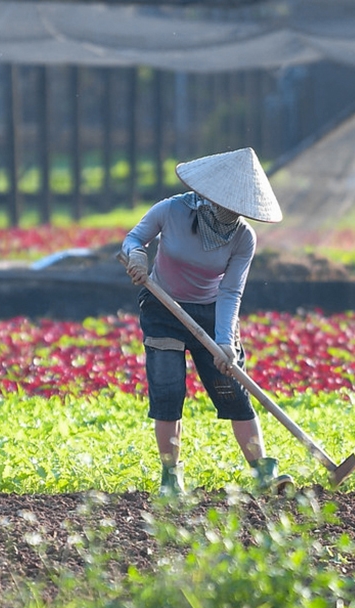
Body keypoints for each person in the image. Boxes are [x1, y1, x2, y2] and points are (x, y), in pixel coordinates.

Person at [121, 147, 292, 498]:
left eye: (239, 207)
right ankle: (171, 477)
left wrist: (225, 342)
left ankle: (262, 469)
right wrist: (137, 255)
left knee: (233, 392)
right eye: (227, 202)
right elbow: (134, 238)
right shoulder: (172, 210)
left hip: (213, 312)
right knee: (168, 391)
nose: (231, 211)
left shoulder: (243, 237)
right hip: (163, 307)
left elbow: (230, 292)